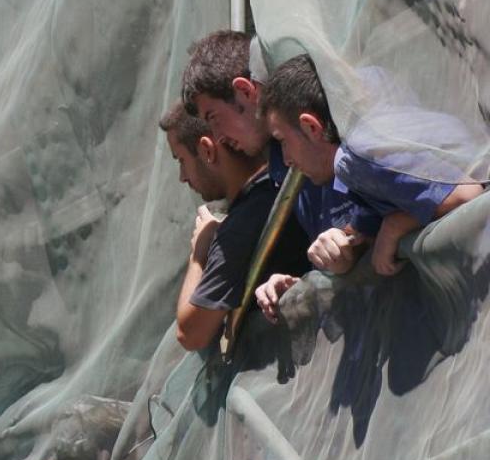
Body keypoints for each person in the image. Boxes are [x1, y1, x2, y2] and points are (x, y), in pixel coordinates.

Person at [255, 54, 487, 321]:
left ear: (311, 126)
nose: (286, 160)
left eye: (282, 140)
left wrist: (396, 226)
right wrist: (344, 248)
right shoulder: (365, 148)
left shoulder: (357, 157)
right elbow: (367, 227)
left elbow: (467, 192)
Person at [160, 101, 311, 351]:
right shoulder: (277, 185)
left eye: (181, 160)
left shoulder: (239, 227)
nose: (182, 176)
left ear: (207, 151)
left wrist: (199, 251)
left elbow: (190, 334)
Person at [181, 30, 354, 243]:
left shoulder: (341, 143)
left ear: (245, 91)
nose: (217, 137)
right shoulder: (280, 167)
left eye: (214, 118)